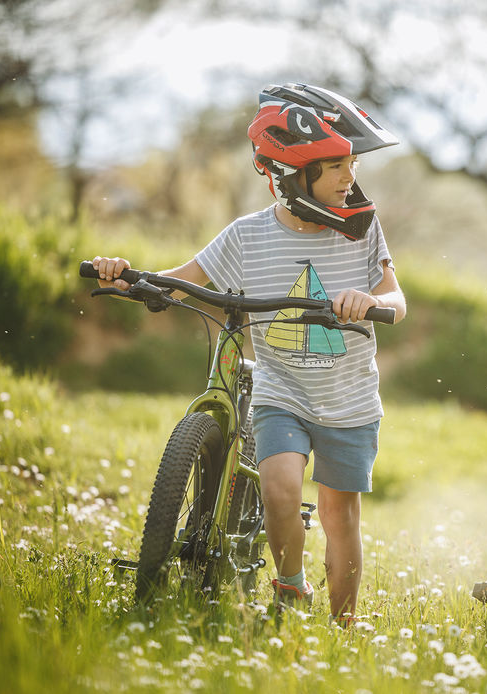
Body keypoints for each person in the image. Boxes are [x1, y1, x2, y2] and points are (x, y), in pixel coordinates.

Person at [94, 83, 406, 627]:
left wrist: (369, 300)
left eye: (351, 164)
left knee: (339, 516)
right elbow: (181, 281)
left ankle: (344, 624)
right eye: (335, 167)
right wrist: (128, 276)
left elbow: (396, 301)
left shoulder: (363, 232)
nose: (349, 177)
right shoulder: (247, 236)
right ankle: (290, 589)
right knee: (281, 487)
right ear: (292, 175)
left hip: (349, 399)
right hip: (282, 389)